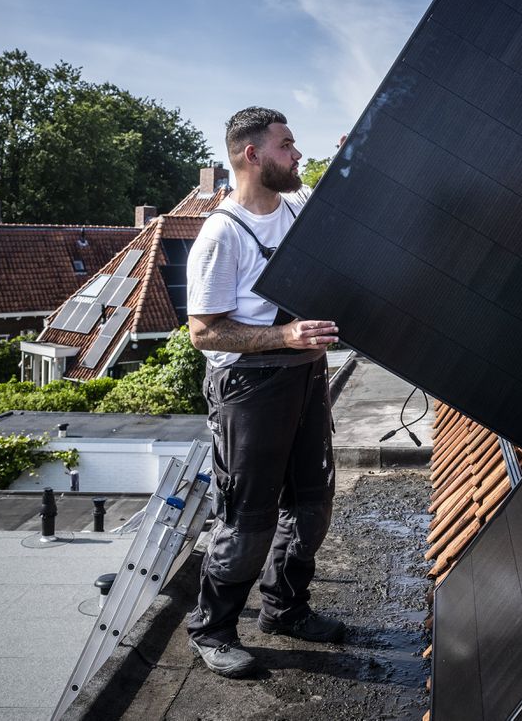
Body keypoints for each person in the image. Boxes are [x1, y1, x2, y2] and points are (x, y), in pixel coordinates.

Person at [184, 106, 344, 677]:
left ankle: (284, 608)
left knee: (312, 505)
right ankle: (213, 627)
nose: (298, 154)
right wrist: (284, 333)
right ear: (252, 154)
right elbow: (203, 331)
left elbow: (344, 214)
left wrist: (357, 168)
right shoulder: (221, 234)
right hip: (248, 389)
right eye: (287, 145)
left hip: (304, 378)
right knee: (247, 518)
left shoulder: (297, 206)